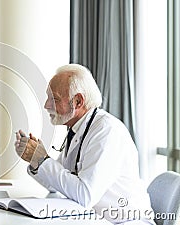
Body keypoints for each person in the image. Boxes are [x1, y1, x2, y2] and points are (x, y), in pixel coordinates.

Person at [15, 64, 155, 224]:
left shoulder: (106, 131)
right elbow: (57, 185)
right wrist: (35, 160)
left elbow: (85, 195)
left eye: (54, 99)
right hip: (95, 218)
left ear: (78, 101)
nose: (46, 105)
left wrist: (43, 160)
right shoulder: (77, 129)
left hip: (125, 221)